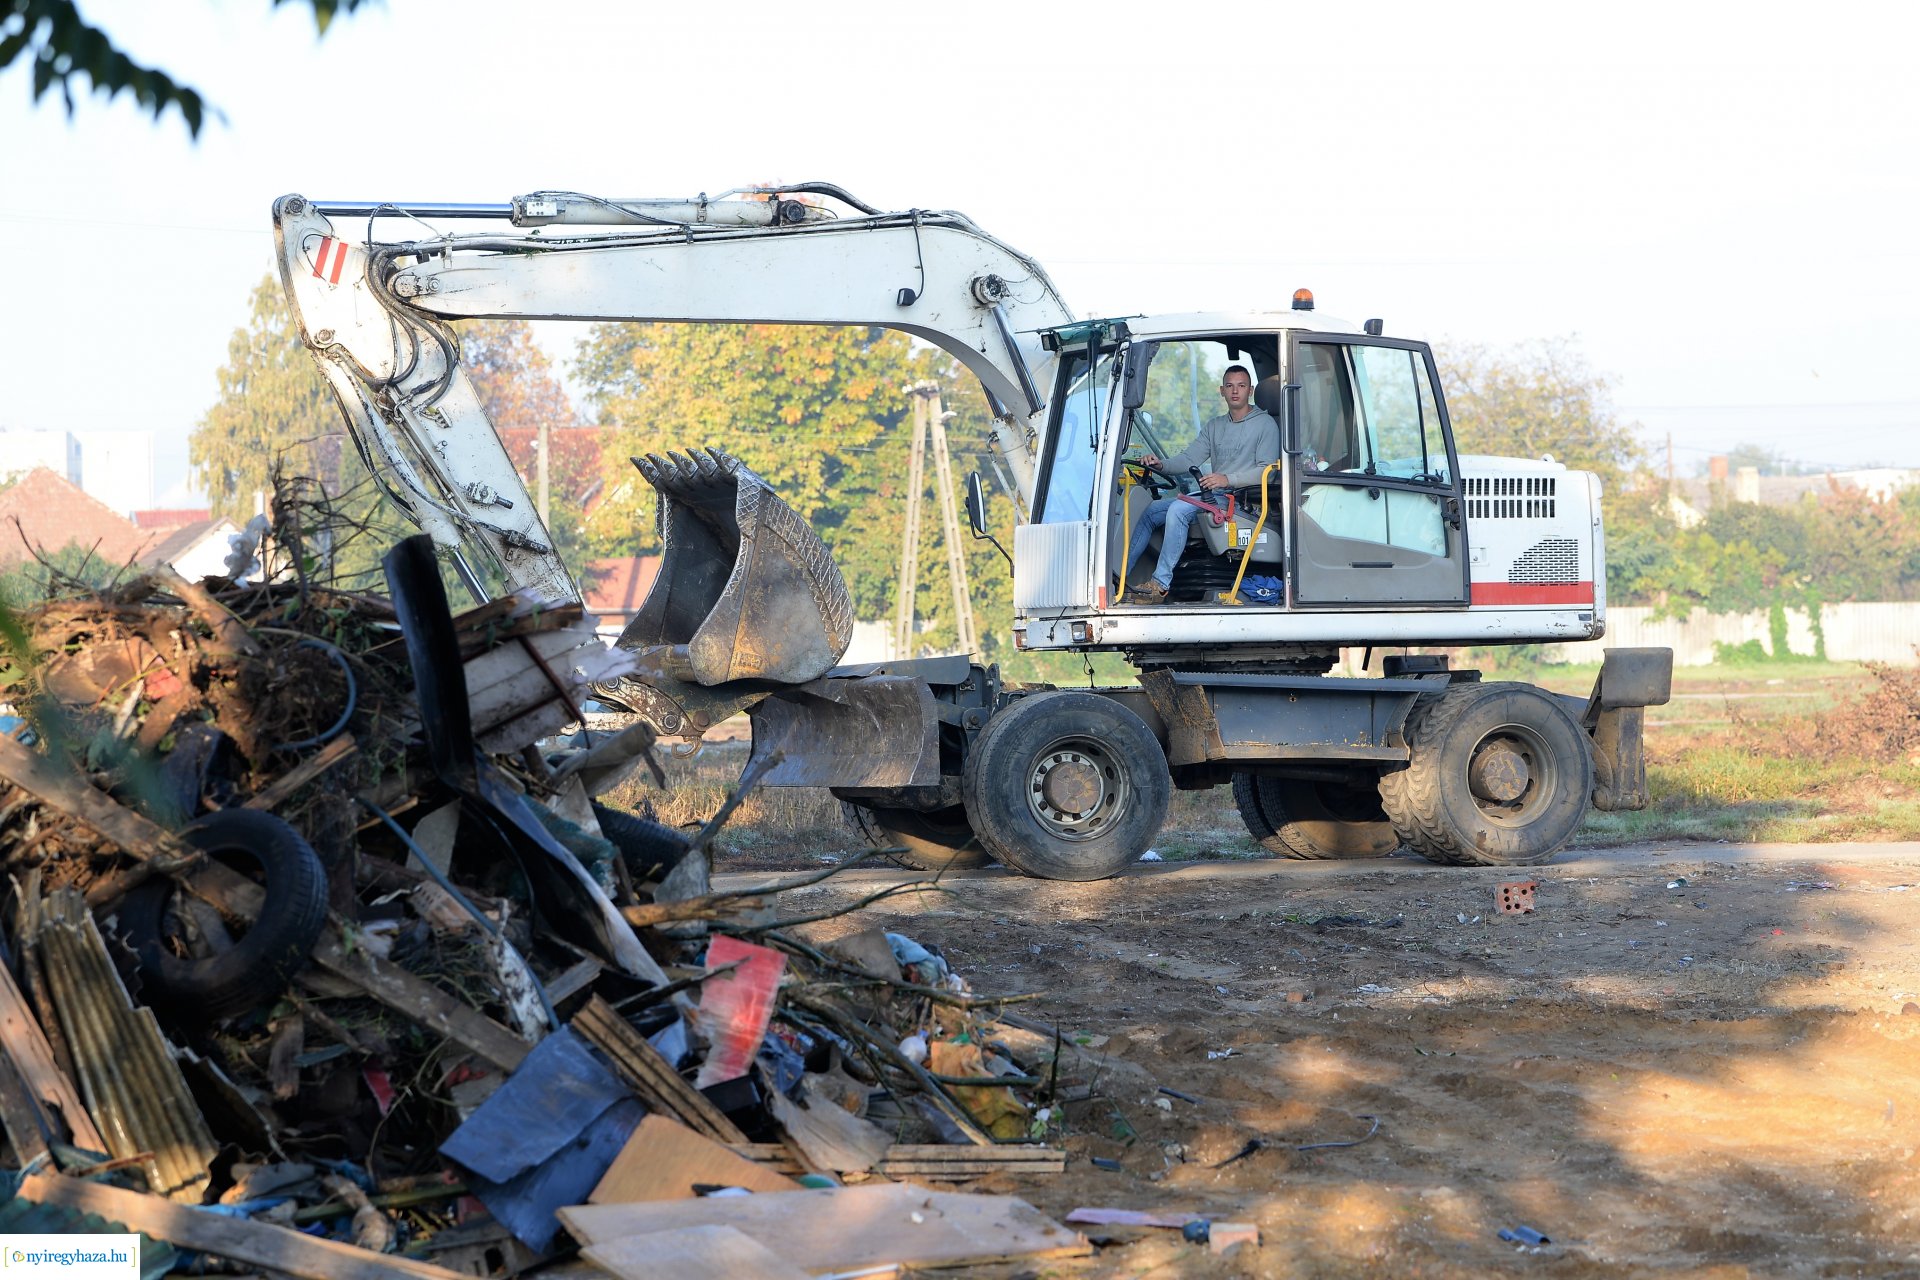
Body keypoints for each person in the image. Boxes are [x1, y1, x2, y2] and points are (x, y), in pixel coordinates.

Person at [1122, 365, 1279, 603]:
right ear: (1222, 391)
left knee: (1178, 510)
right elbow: (1189, 459)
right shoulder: (1215, 426)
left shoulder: (1265, 425)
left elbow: (1268, 474)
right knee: (1152, 511)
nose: (1235, 391)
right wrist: (1161, 465)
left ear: (1251, 390)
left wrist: (1227, 479)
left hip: (1241, 501)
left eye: (1241, 386)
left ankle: (1159, 585)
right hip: (1214, 497)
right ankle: (1119, 580)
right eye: (1229, 386)